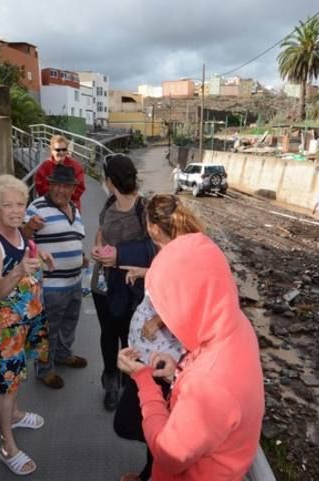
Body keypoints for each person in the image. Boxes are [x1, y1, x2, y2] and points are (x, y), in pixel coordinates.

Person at [117, 232, 265, 481]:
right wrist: (178, 370)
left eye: (167, 303)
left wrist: (143, 380)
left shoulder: (210, 385)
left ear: (188, 302)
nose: (163, 313)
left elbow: (168, 455)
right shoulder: (236, 323)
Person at [114, 194, 203, 481]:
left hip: (163, 362)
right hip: (153, 354)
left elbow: (194, 296)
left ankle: (156, 470)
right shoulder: (176, 249)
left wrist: (157, 319)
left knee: (142, 422)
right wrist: (146, 272)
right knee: (147, 421)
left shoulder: (181, 254)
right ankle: (148, 473)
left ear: (152, 227)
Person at [0, 175, 51, 476]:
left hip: (20, 323)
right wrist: (18, 271)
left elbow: (20, 247)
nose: (17, 211)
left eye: (21, 204)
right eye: (8, 205)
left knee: (15, 380)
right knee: (6, 386)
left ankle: (14, 414)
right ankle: (7, 446)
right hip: (0, 330)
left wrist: (39, 253)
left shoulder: (15, 229)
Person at [91, 154, 156, 411]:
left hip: (132, 287)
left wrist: (119, 255)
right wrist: (98, 246)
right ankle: (110, 384)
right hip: (104, 284)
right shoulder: (109, 204)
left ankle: (131, 387)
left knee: (130, 340)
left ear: (109, 180)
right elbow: (101, 230)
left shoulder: (145, 208)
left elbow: (156, 246)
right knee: (108, 334)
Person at [23, 165, 88, 390]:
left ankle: (63, 355)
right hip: (51, 286)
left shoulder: (74, 208)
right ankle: (44, 370)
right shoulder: (36, 207)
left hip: (75, 281)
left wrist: (80, 256)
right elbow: (20, 239)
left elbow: (74, 237)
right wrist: (29, 227)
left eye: (66, 186)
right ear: (49, 185)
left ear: (72, 188)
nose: (61, 190)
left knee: (70, 322)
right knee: (48, 329)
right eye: (56, 185)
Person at [33, 134, 85, 212]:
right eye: (58, 150)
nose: (61, 152)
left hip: (70, 207)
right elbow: (40, 186)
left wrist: (62, 198)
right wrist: (57, 198)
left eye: (64, 149)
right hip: (49, 207)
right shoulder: (45, 166)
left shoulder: (75, 166)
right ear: (52, 150)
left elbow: (80, 187)